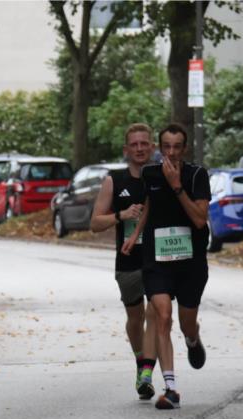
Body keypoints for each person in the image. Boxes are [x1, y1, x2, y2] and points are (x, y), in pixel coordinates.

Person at [123, 123, 210, 410]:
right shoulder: (150, 173)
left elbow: (199, 220)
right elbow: (150, 204)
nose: (171, 152)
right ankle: (170, 388)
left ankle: (192, 338)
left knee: (185, 322)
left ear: (184, 149)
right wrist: (135, 235)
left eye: (177, 147)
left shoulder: (197, 175)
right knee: (162, 316)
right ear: (160, 148)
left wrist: (177, 187)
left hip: (190, 264)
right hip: (157, 260)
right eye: (166, 146)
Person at [90, 123, 158, 400]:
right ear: (126, 150)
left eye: (145, 143)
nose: (140, 148)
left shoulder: (161, 177)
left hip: (158, 259)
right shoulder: (114, 181)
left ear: (152, 147)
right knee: (135, 316)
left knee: (157, 313)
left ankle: (147, 372)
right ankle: (140, 360)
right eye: (135, 144)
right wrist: (121, 215)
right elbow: (95, 223)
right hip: (128, 259)